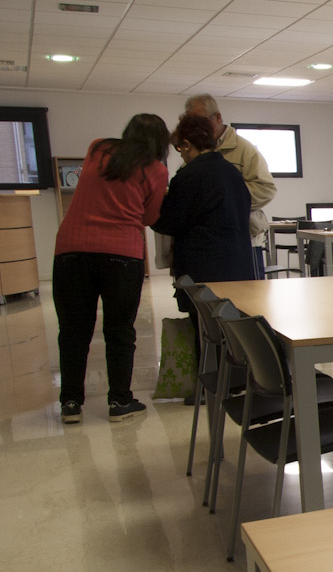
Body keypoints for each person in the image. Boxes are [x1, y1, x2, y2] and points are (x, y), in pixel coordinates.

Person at [52, 113, 169, 425]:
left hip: (71, 250)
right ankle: (119, 401)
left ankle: (71, 403)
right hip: (121, 255)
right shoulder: (156, 170)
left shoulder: (98, 149)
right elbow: (149, 217)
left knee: (73, 331)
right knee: (119, 330)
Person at [154, 113, 254, 317]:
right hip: (239, 267)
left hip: (204, 271)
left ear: (188, 144)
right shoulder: (233, 173)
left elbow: (172, 221)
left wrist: (153, 206)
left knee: (205, 333)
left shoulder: (189, 175)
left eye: (180, 148)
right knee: (232, 331)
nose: (181, 155)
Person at [184, 94, 276, 238]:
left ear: (218, 117)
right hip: (207, 236)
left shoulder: (243, 149)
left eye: (202, 122)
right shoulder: (194, 150)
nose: (198, 129)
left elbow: (266, 189)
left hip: (243, 236)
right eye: (193, 124)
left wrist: (222, 200)